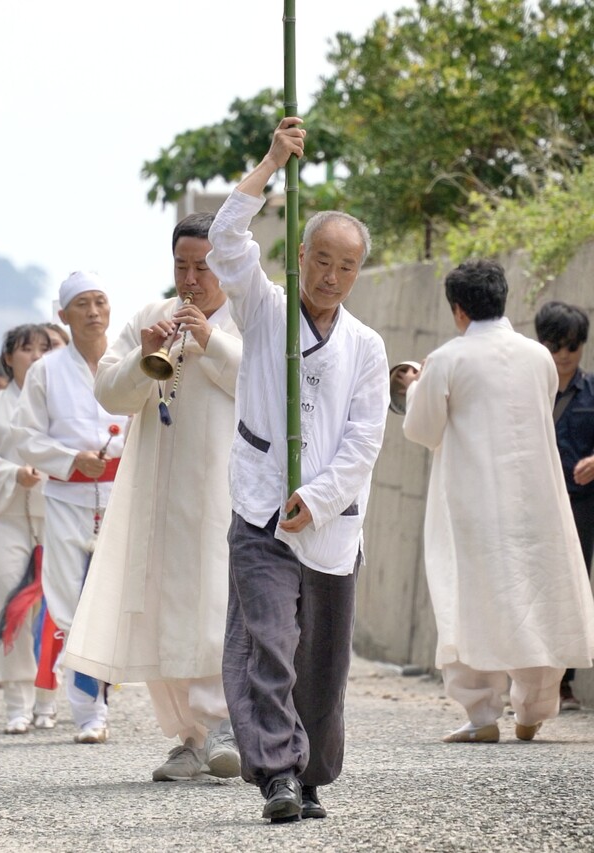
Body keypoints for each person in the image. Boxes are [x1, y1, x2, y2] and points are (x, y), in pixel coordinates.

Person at [207, 117, 388, 823]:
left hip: (328, 523)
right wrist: (272, 161)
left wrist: (317, 498)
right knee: (270, 642)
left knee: (321, 663)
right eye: (322, 259)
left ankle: (310, 774)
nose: (332, 275)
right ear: (302, 253)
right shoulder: (266, 307)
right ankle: (277, 773)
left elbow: (365, 439)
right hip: (260, 510)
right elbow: (227, 239)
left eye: (347, 266)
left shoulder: (366, 345)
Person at [64, 213, 243, 781]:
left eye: (205, 266)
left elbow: (262, 381)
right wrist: (146, 357)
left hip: (227, 488)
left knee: (217, 604)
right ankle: (188, 735)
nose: (193, 279)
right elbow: (110, 394)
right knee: (166, 609)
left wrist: (210, 340)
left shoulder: (253, 312)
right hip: (160, 495)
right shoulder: (150, 317)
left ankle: (225, 726)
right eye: (183, 266)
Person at [403, 263, 594, 743]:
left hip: (474, 498)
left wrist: (414, 386)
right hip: (537, 499)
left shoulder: (447, 358)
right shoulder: (539, 358)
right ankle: (533, 709)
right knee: (535, 595)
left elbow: (423, 429)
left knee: (470, 598)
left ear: (458, 309)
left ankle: (482, 714)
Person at [12, 272, 129, 744]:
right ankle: (87, 712)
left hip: (122, 495)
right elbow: (26, 437)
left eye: (100, 301)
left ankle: (103, 700)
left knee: (115, 602)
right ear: (63, 315)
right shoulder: (45, 371)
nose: (93, 312)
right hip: (65, 497)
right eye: (82, 304)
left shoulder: (129, 362)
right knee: (70, 607)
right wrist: (68, 459)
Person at [0, 323, 59, 734]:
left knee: (54, 607)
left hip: (53, 515)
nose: (35, 356)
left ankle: (47, 698)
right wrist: (12, 473)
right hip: (2, 518)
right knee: (10, 603)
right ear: (8, 357)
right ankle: (17, 700)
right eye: (26, 349)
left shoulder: (61, 403)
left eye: (43, 348)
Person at [535, 301, 594, 711]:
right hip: (532, 503)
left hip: (580, 505)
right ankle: (531, 681)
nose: (563, 355)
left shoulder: (592, 391)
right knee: (530, 587)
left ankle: (564, 684)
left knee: (573, 587)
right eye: (555, 345)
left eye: (571, 346)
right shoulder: (525, 387)